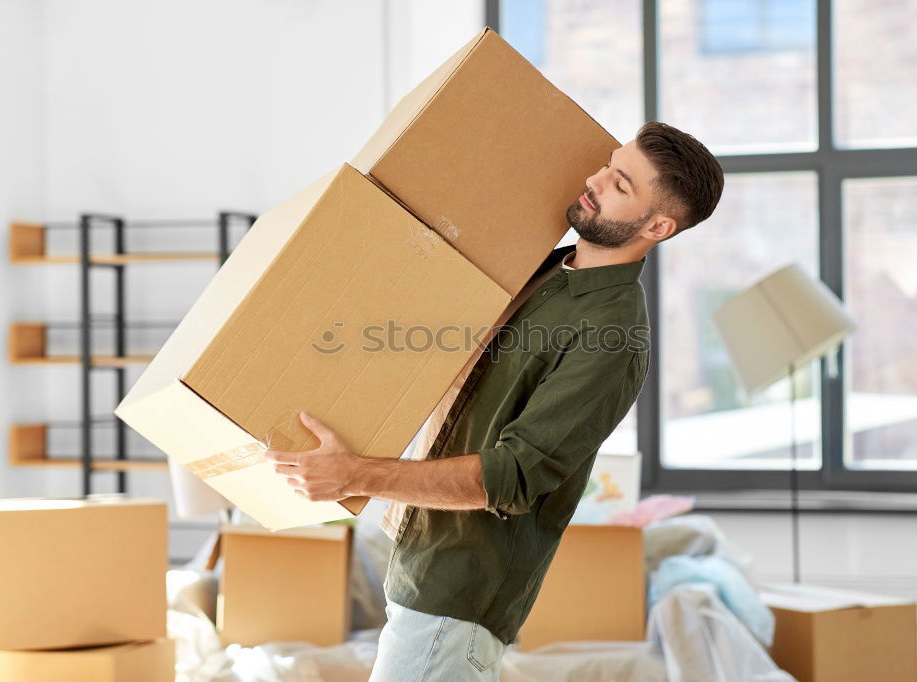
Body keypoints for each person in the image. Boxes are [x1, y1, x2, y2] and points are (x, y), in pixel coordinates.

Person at [266, 120, 724, 680]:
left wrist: (354, 475)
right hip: (420, 566)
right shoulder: (548, 268)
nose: (595, 179)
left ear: (658, 225)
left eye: (621, 184)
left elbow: (510, 479)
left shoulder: (614, 337)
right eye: (609, 163)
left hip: (458, 593)